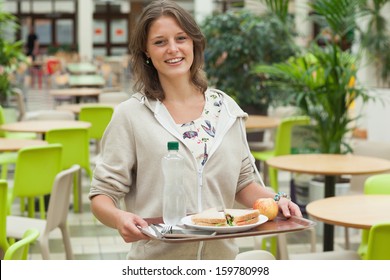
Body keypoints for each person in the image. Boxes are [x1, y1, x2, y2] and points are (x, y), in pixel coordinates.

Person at [89, 0, 302, 260]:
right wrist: (118, 217)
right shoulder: (131, 115)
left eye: (181, 38)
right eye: (159, 42)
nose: (173, 49)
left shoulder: (225, 108)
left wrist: (277, 199)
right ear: (146, 51)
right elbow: (102, 194)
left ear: (194, 43)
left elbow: (243, 182)